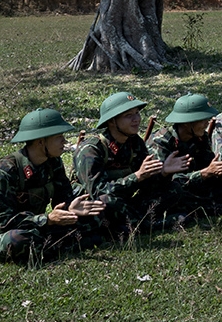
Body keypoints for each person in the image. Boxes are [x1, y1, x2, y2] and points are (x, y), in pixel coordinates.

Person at [0, 109, 108, 262]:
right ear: (40, 141)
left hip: (41, 227)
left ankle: (52, 246)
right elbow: (1, 223)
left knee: (92, 217)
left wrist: (70, 208)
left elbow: (62, 197)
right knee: (16, 240)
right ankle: (62, 245)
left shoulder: (53, 162)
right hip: (8, 233)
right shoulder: (4, 172)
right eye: (59, 137)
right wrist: (46, 219)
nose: (64, 141)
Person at [74, 91, 188, 232]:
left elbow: (146, 185)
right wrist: (137, 177)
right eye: (129, 116)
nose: (136, 119)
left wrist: (163, 172)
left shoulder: (134, 143)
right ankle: (144, 225)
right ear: (111, 121)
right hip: (95, 207)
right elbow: (96, 192)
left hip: (124, 202)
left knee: (173, 189)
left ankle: (133, 224)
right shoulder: (91, 149)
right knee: (106, 201)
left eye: (137, 113)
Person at [148, 93, 222, 213]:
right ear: (187, 123)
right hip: (167, 192)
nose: (207, 123)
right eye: (202, 119)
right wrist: (205, 173)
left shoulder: (200, 137)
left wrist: (221, 170)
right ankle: (216, 209)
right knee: (177, 194)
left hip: (193, 186)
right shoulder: (160, 142)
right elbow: (161, 184)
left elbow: (207, 166)